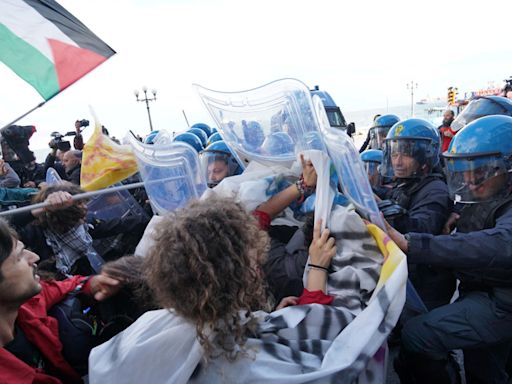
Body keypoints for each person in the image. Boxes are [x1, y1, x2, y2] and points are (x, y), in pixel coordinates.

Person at [89, 197, 340, 383]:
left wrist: (269, 318)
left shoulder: (151, 324)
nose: (257, 265)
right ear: (241, 276)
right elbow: (319, 358)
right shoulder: (244, 367)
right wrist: (317, 266)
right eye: (252, 259)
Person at [387, 115, 512, 383]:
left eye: (480, 171)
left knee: (418, 334)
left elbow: (500, 243)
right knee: (484, 368)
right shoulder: (484, 194)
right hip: (480, 289)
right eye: (464, 171)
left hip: (500, 300)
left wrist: (412, 243)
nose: (469, 180)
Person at [0, 217, 122, 383]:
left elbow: (61, 288)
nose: (34, 257)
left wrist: (91, 284)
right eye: (19, 256)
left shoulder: (27, 304)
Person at [377, 118, 454, 310]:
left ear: (423, 158)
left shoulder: (436, 189)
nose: (398, 161)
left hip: (422, 286)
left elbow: (421, 227)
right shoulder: (406, 182)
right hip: (404, 275)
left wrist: (385, 211)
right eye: (394, 154)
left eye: (406, 154)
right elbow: (387, 195)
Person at [9, 182, 149, 278]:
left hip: (82, 283)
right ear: (62, 211)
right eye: (79, 204)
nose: (85, 207)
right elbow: (7, 227)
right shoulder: (34, 234)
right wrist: (42, 208)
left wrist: (152, 217)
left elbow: (118, 224)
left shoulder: (82, 227)